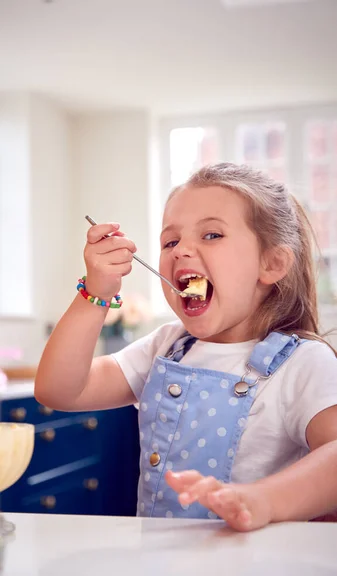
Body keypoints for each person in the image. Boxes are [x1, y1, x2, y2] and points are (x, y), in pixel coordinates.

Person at [35, 162, 337, 531]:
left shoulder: (303, 363)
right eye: (170, 241)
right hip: (161, 572)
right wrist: (95, 294)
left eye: (211, 235)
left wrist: (263, 500)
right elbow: (59, 390)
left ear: (272, 263)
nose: (180, 251)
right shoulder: (167, 346)